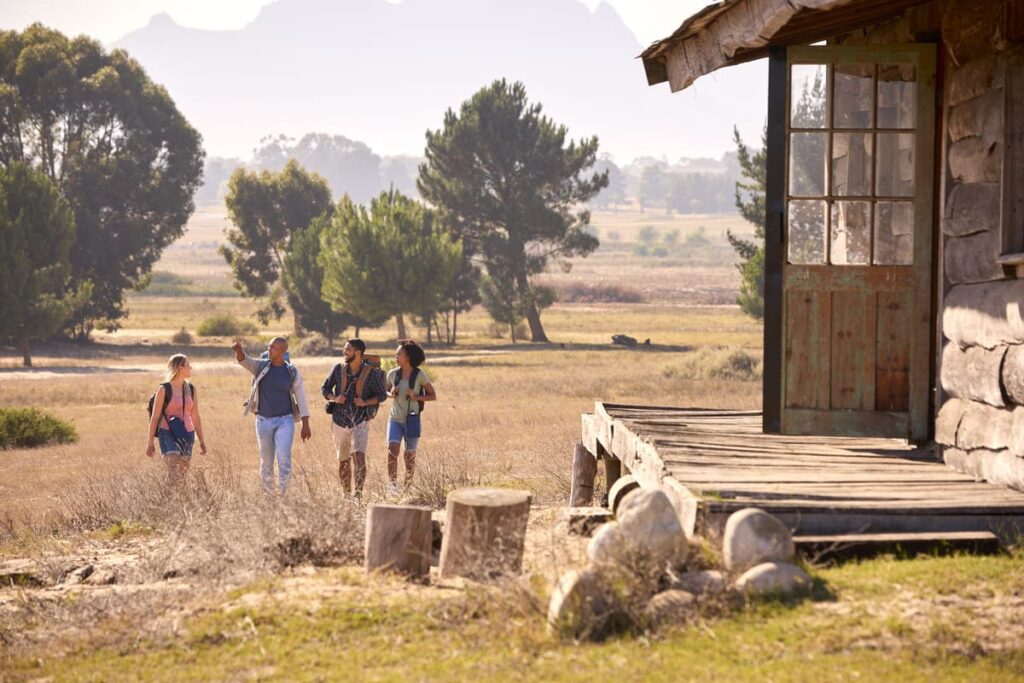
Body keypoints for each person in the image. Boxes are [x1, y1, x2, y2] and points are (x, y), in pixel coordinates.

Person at [233, 337, 311, 494]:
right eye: (269, 347)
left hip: (285, 420)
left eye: (273, 348)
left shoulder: (291, 371)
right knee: (266, 461)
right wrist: (239, 351)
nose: (269, 350)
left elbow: (301, 398)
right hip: (263, 421)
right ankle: (268, 496)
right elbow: (244, 361)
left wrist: (305, 424)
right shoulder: (260, 366)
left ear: (283, 351)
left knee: (284, 458)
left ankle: (284, 495)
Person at [321, 338, 387, 498]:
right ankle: (347, 495)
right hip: (339, 421)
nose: (344, 352)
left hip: (360, 422)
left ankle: (358, 495)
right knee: (343, 461)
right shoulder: (338, 369)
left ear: (358, 353)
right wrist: (335, 398)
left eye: (348, 350)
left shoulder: (371, 372)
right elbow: (325, 389)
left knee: (359, 457)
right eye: (345, 349)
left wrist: (365, 402)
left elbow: (382, 395)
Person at [146, 354, 207, 486]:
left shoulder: (191, 389)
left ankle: (179, 502)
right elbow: (155, 417)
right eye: (188, 365)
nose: (191, 367)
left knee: (183, 473)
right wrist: (150, 442)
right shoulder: (164, 389)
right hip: (167, 431)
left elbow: (195, 415)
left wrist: (201, 440)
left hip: (187, 433)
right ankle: (165, 499)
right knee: (173, 469)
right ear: (180, 367)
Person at [386, 340, 436, 494]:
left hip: (412, 420)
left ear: (408, 356)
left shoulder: (420, 375)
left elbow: (432, 396)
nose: (396, 356)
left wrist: (415, 396)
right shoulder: (392, 374)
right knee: (392, 451)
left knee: (409, 456)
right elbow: (385, 393)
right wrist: (390, 393)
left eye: (399, 354)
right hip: (395, 419)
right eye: (396, 354)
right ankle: (393, 487)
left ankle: (407, 487)